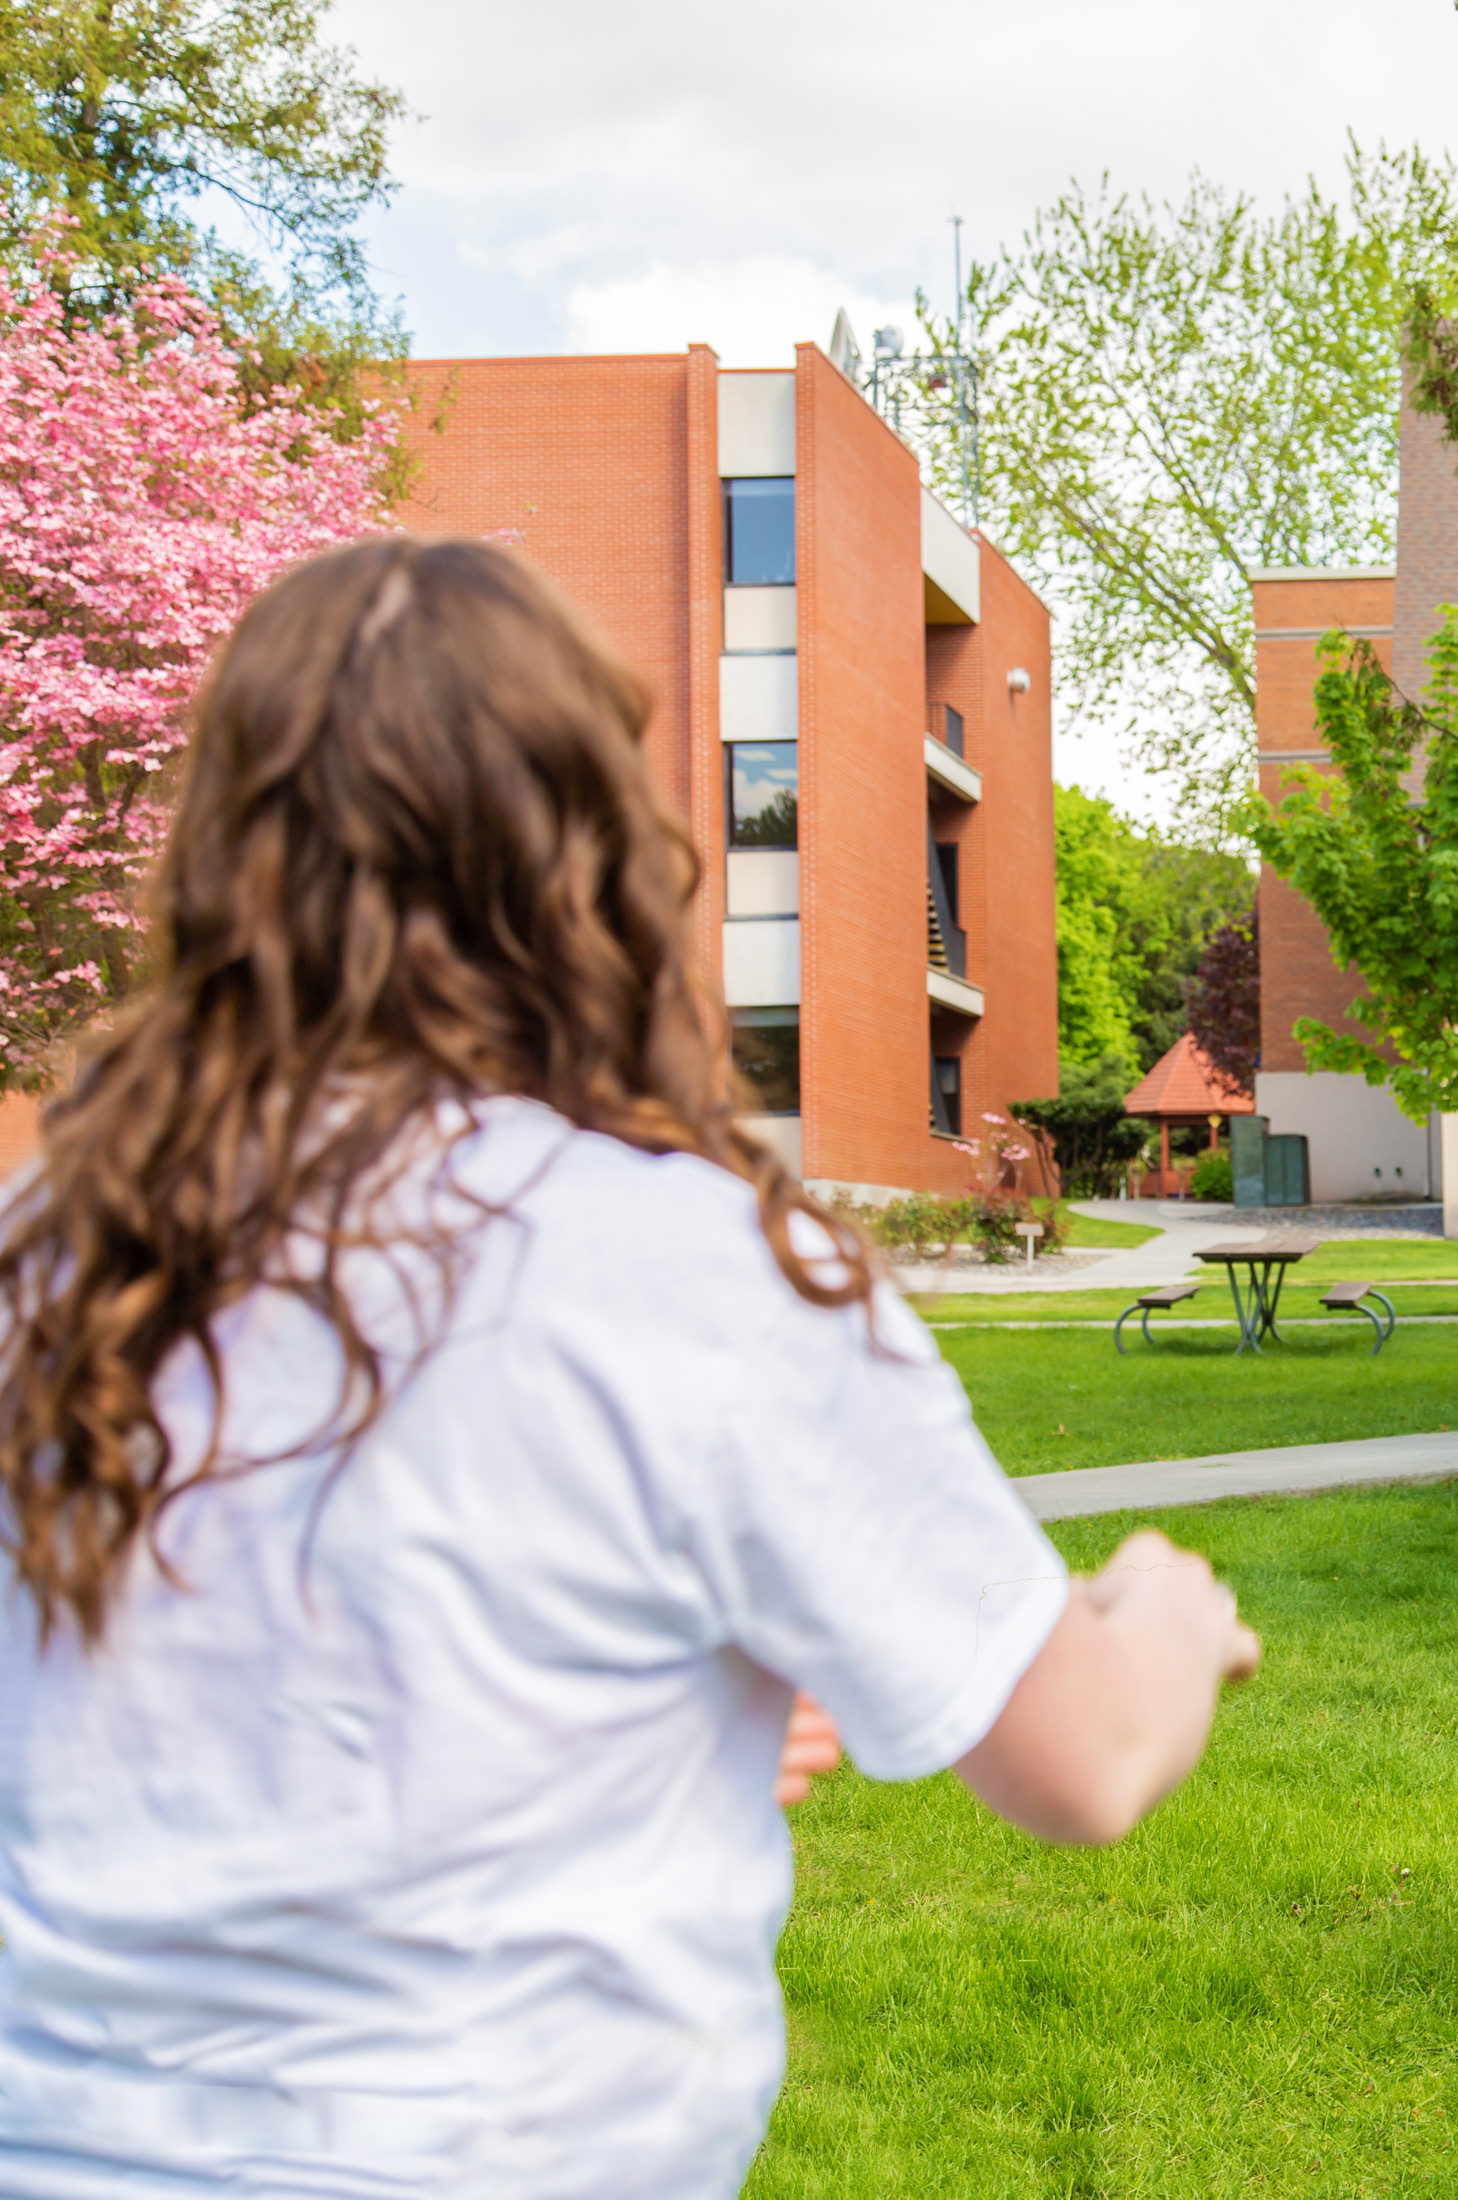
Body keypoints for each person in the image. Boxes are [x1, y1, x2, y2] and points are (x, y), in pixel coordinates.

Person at [0, 537, 1260, 2198]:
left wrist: (635, 1716)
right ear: (584, 857)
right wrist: (1159, 1614)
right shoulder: (683, 1262)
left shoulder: (52, 1255)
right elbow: (1083, 1761)